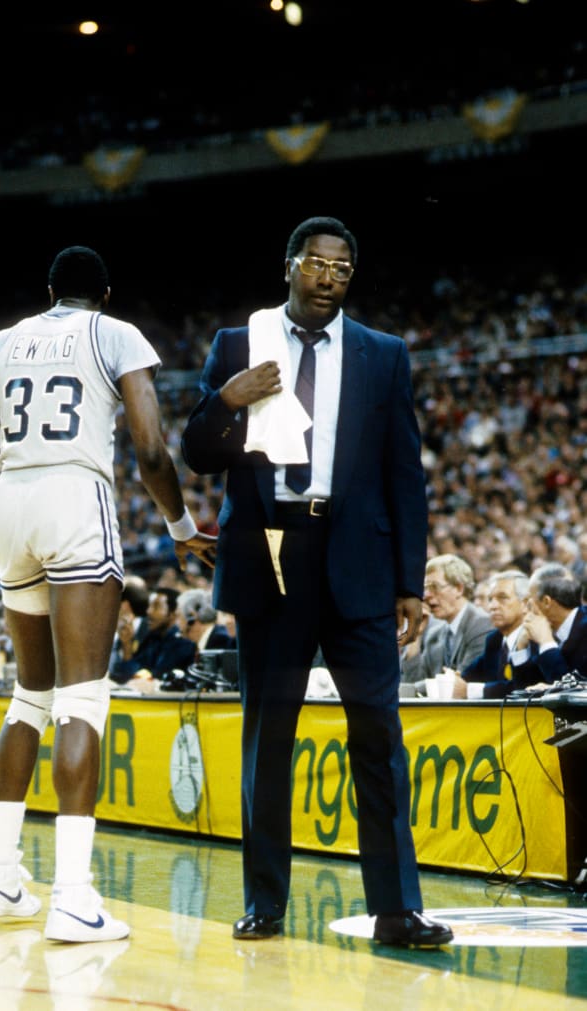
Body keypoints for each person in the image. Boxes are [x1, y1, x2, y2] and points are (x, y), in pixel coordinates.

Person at [0, 245, 215, 943]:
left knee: (30, 694)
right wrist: (180, 525)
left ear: (48, 290)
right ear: (105, 291)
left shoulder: (5, 340)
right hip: (76, 495)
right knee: (83, 697)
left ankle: (0, 875)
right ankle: (73, 894)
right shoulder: (115, 333)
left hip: (12, 502)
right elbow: (152, 450)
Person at [180, 215, 452, 947]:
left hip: (358, 556)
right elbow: (199, 453)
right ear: (291, 265)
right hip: (270, 548)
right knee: (269, 739)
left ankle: (396, 909)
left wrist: (408, 581)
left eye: (343, 267)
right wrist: (227, 399)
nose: (329, 276)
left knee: (379, 736)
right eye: (317, 262)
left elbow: (405, 474)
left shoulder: (382, 354)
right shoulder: (239, 343)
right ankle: (264, 902)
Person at [401, 553, 493, 688]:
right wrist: (415, 636)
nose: (426, 595)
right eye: (425, 588)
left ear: (458, 589)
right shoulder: (434, 634)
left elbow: (460, 682)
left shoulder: (482, 625)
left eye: (434, 587)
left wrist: (412, 688)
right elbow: (412, 686)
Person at [452, 569, 540, 699]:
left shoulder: (536, 637)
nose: (492, 606)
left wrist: (471, 691)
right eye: (490, 599)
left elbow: (526, 687)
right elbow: (465, 677)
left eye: (502, 598)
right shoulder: (494, 639)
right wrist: (452, 679)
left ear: (525, 604)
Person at [511, 562, 587, 684]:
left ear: (546, 602)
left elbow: (573, 692)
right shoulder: (540, 630)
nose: (525, 610)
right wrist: (521, 648)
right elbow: (522, 690)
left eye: (529, 601)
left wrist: (547, 643)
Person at [109, 585, 196, 689]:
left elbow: (152, 677)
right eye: (149, 606)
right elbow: (125, 675)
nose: (148, 611)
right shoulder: (151, 638)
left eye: (156, 606)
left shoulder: (183, 644)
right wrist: (127, 644)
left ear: (172, 614)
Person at [108, 574, 151, 685]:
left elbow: (141, 672)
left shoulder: (149, 632)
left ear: (125, 605)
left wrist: (127, 646)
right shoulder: (116, 629)